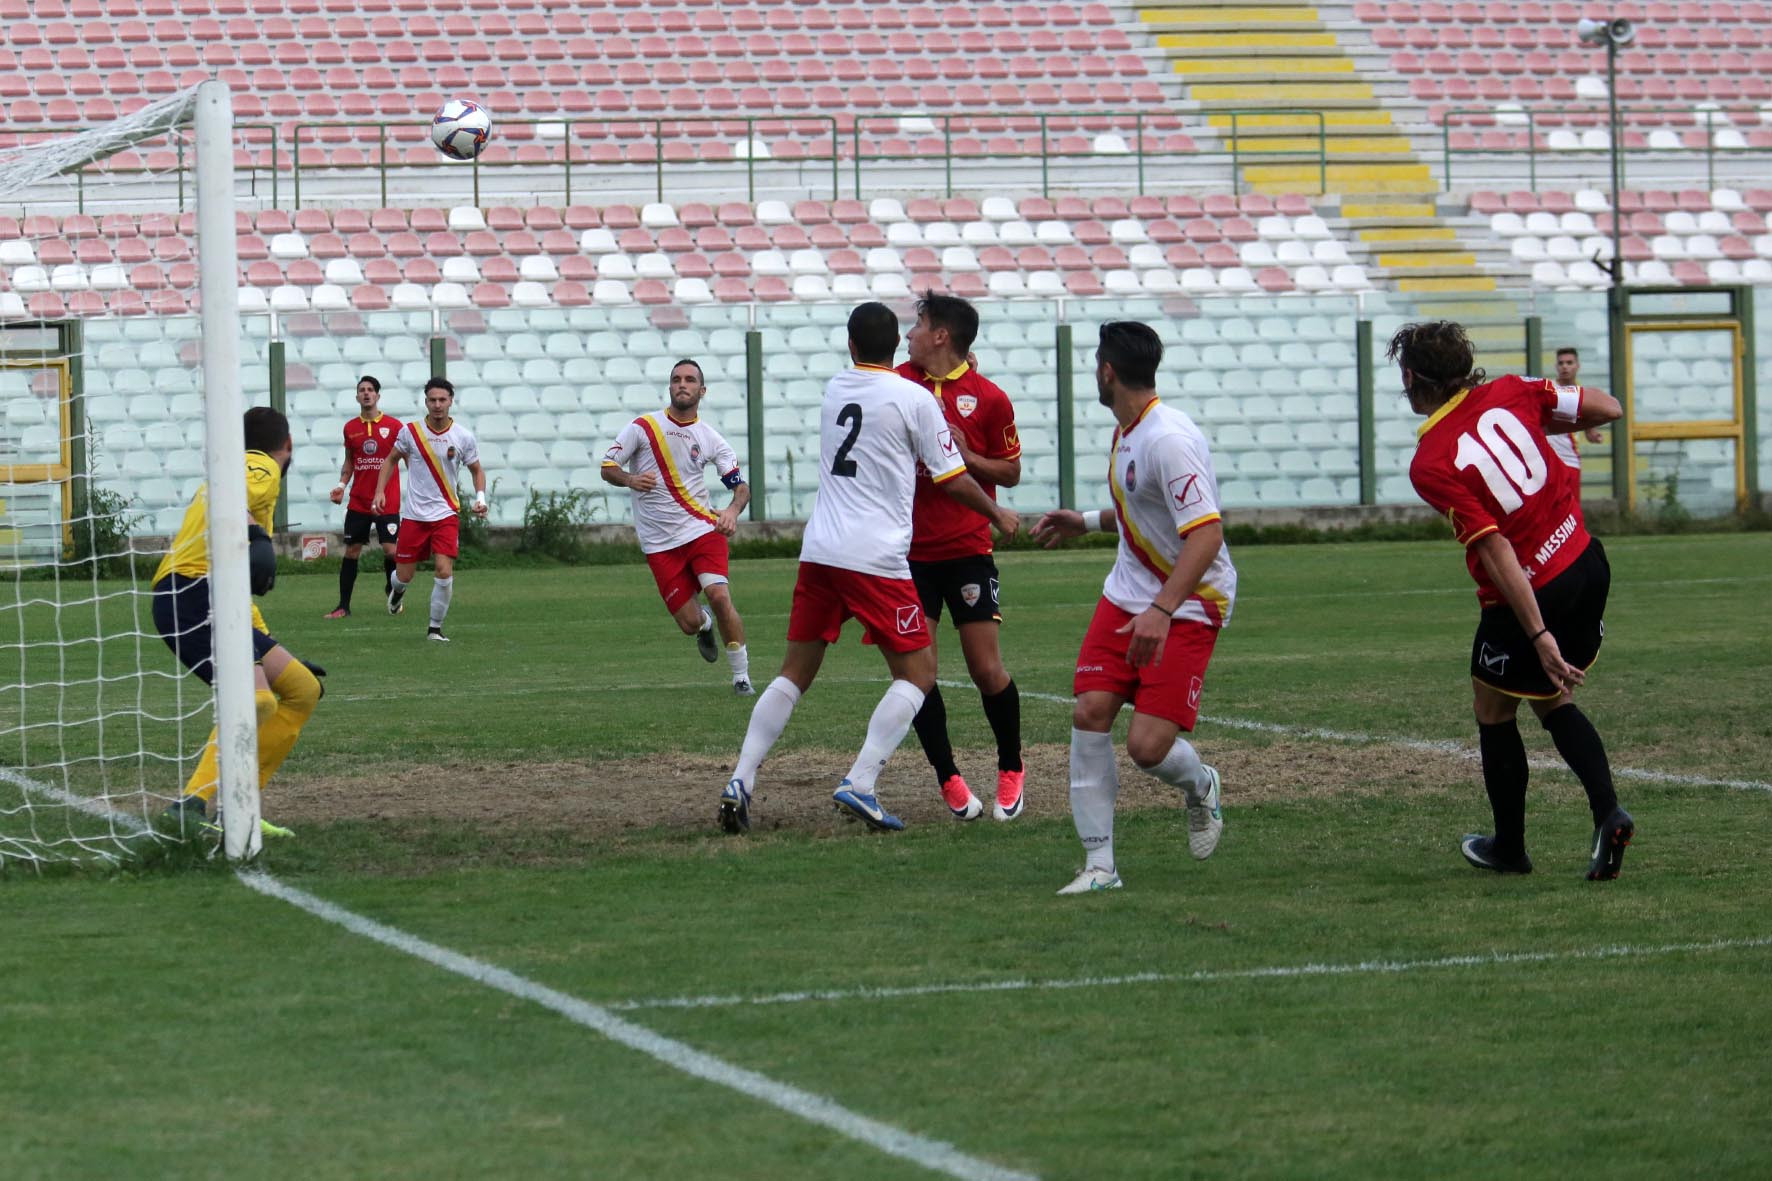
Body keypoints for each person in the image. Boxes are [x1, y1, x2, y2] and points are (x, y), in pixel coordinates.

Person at [718, 302, 1020, 835]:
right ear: (890, 346)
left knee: (794, 673)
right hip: (877, 557)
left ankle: (740, 779)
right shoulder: (915, 398)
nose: (912, 333)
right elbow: (950, 477)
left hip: (820, 551)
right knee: (919, 674)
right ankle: (860, 781)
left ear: (851, 346)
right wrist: (997, 513)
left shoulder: (836, 388)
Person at [1394, 320, 1633, 880]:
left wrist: (1537, 633)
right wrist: (1541, 409)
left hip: (1533, 591)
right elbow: (1609, 408)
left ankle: (1510, 847)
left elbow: (1495, 548)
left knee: (1493, 705)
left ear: (1410, 378)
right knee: (1549, 699)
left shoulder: (1430, 461)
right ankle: (1607, 812)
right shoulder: (1513, 389)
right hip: (1584, 561)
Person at [1030, 321, 1237, 895]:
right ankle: (1100, 867)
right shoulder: (1130, 429)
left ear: (1107, 371)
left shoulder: (1168, 438)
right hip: (1126, 594)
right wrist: (1090, 521)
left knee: (1147, 748)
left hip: (1191, 602)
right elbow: (1145, 508)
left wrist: (1164, 609)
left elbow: (1206, 535)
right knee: (1089, 713)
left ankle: (1201, 786)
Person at [153, 406, 323, 837]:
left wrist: (267, 644)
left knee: (302, 689)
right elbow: (226, 498)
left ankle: (239, 807)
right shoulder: (262, 466)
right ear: (288, 445)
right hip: (190, 596)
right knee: (258, 701)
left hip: (212, 600)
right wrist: (258, 535)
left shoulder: (250, 476)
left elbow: (235, 586)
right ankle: (190, 806)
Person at [898, 292, 1027, 822]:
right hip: (907, 554)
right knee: (918, 676)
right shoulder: (898, 382)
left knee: (985, 668)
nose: (910, 333)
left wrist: (964, 454)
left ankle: (1012, 768)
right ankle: (948, 777)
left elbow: (1011, 472)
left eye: (919, 324)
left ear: (942, 335)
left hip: (969, 550)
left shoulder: (989, 397)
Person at [600, 359, 754, 694]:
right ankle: (704, 626)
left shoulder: (711, 438)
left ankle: (741, 676)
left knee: (718, 594)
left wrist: (731, 512)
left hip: (702, 530)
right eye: (676, 379)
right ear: (669, 387)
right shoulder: (644, 427)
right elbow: (608, 465)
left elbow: (741, 487)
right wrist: (629, 478)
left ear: (702, 390)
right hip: (658, 544)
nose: (681, 384)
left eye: (689, 380)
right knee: (688, 623)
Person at [370, 376, 487, 643]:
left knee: (444, 570)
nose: (437, 405)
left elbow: (477, 470)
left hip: (446, 514)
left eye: (442, 400)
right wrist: (379, 491)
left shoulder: (463, 436)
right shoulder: (411, 432)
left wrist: (480, 497)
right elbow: (390, 460)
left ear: (450, 402)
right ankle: (397, 589)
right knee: (404, 576)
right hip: (414, 515)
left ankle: (435, 629)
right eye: (432, 400)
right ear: (426, 402)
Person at [324, 374, 403, 619]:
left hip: (387, 499)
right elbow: (350, 461)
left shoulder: (395, 426)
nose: (366, 393)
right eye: (362, 390)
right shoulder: (351, 428)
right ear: (357, 396)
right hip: (359, 500)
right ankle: (343, 606)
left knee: (391, 551)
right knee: (352, 552)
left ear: (378, 396)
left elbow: (407, 458)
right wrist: (341, 485)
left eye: (370, 390)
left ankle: (393, 592)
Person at [1547, 347, 1607, 470]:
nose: (1565, 367)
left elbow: (1590, 432)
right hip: (1548, 460)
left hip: (1570, 460)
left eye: (1569, 363)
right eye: (1561, 363)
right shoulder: (1547, 390)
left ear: (1577, 366)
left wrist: (1595, 436)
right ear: (1556, 366)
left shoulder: (1583, 395)